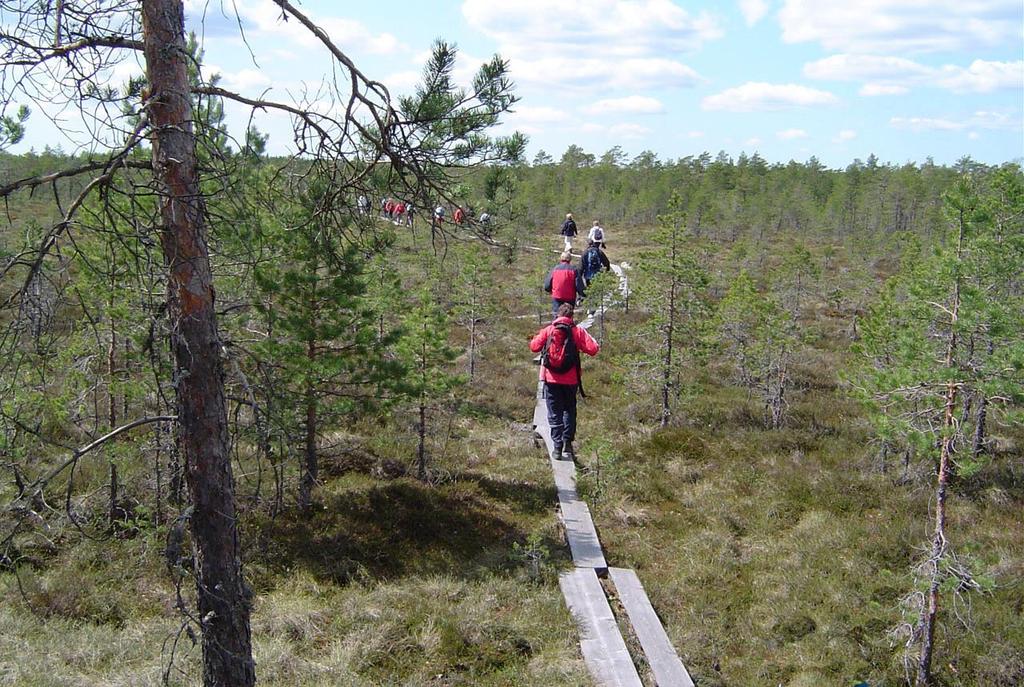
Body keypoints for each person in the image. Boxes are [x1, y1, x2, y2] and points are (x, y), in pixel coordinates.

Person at [530, 302, 600, 460]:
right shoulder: (577, 331)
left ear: (558, 315)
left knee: (554, 413)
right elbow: (593, 349)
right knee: (569, 410)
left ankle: (557, 447)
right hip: (571, 379)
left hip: (550, 378)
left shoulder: (549, 330)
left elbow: (533, 346)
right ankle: (567, 442)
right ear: (572, 316)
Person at [544, 250, 586, 316]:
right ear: (570, 259)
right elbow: (579, 286)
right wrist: (583, 295)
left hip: (557, 296)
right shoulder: (574, 270)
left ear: (561, 258)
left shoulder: (555, 269)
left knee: (557, 315)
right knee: (568, 315)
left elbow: (547, 286)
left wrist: (550, 291)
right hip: (570, 297)